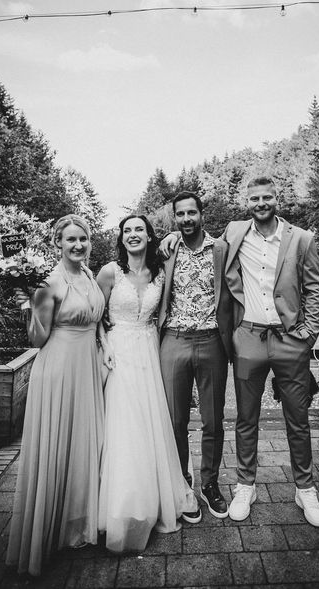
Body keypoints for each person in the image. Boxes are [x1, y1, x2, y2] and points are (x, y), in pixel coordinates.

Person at [217, 177, 319, 527]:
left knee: (298, 419)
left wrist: (307, 335)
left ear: (278, 198)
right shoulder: (233, 233)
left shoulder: (301, 238)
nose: (261, 202)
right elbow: (198, 241)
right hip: (247, 337)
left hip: (289, 338)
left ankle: (305, 489)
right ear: (246, 201)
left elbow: (314, 288)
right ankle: (245, 485)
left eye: (267, 197)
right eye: (254, 198)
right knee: (245, 419)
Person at [6, 215, 105, 576]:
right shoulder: (49, 282)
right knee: (58, 445)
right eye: (70, 240)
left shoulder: (89, 276)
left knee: (82, 444)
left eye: (83, 239)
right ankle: (48, 533)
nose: (78, 245)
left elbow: (97, 323)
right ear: (58, 243)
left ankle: (77, 522)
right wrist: (26, 306)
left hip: (88, 368)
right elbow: (37, 339)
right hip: (60, 370)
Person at [95, 215, 194, 552]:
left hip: (150, 349)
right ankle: (121, 508)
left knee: (151, 424)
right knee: (123, 425)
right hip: (119, 351)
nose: (133, 235)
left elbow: (163, 313)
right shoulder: (110, 272)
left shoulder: (160, 273)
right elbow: (94, 314)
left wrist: (174, 234)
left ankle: (154, 498)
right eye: (127, 231)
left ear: (150, 237)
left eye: (140, 229)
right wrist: (105, 346)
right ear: (121, 239)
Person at [156, 191, 230, 521]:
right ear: (175, 218)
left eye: (191, 213)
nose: (186, 219)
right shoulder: (166, 250)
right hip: (173, 339)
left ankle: (209, 483)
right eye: (180, 215)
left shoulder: (222, 249)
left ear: (202, 213)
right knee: (175, 420)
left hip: (212, 339)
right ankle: (182, 483)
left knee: (213, 420)